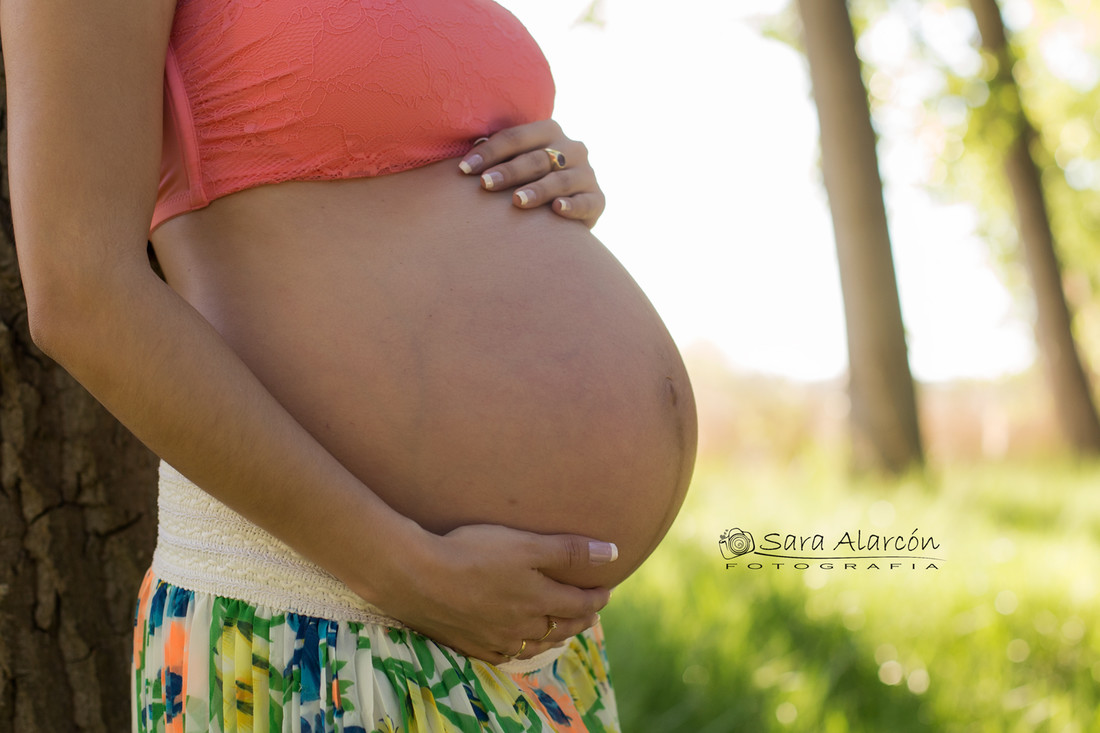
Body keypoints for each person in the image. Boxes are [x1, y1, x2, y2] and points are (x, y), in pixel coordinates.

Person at [2, 1, 697, 731]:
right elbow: (80, 289)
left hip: (537, 649)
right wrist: (400, 569)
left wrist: (550, 166)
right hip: (314, 630)